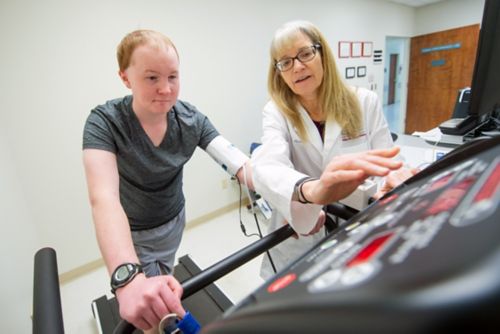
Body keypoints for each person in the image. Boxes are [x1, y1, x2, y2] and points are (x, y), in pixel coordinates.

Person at [82, 30, 252, 332]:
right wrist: (128, 277)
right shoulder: (105, 122)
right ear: (125, 78)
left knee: (166, 274)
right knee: (153, 316)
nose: (165, 89)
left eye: (172, 77)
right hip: (133, 233)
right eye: (151, 78)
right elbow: (103, 198)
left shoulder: (190, 119)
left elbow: (239, 164)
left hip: (173, 220)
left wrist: (299, 192)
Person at [251, 20, 416, 279]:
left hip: (356, 222)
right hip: (302, 231)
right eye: (285, 62)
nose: (297, 66)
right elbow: (267, 165)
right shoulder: (276, 112)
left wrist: (395, 179)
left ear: (322, 54)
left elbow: (388, 158)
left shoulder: (364, 102)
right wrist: (312, 192)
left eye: (305, 53)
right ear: (279, 72)